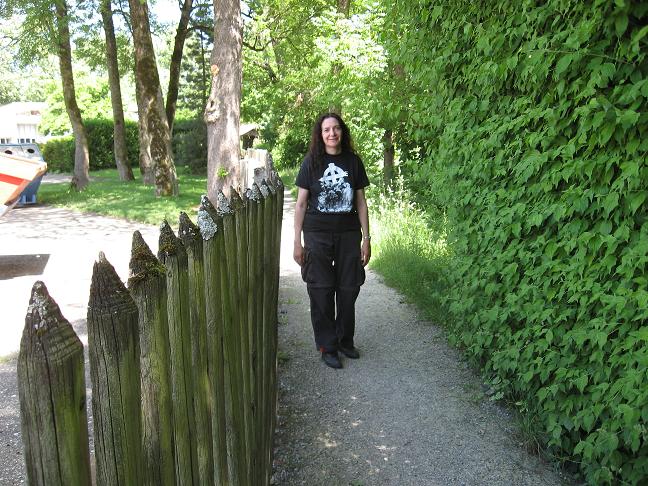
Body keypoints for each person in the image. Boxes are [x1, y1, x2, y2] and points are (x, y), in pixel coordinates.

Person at [293, 113, 371, 369]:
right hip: (317, 235)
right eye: (327, 129)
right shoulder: (311, 163)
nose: (332, 133)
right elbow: (301, 203)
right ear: (320, 134)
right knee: (321, 290)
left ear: (342, 132)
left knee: (349, 289)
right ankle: (328, 346)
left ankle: (345, 340)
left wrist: (366, 239)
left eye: (336, 128)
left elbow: (360, 202)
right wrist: (297, 241)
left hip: (349, 235)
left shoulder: (353, 162)